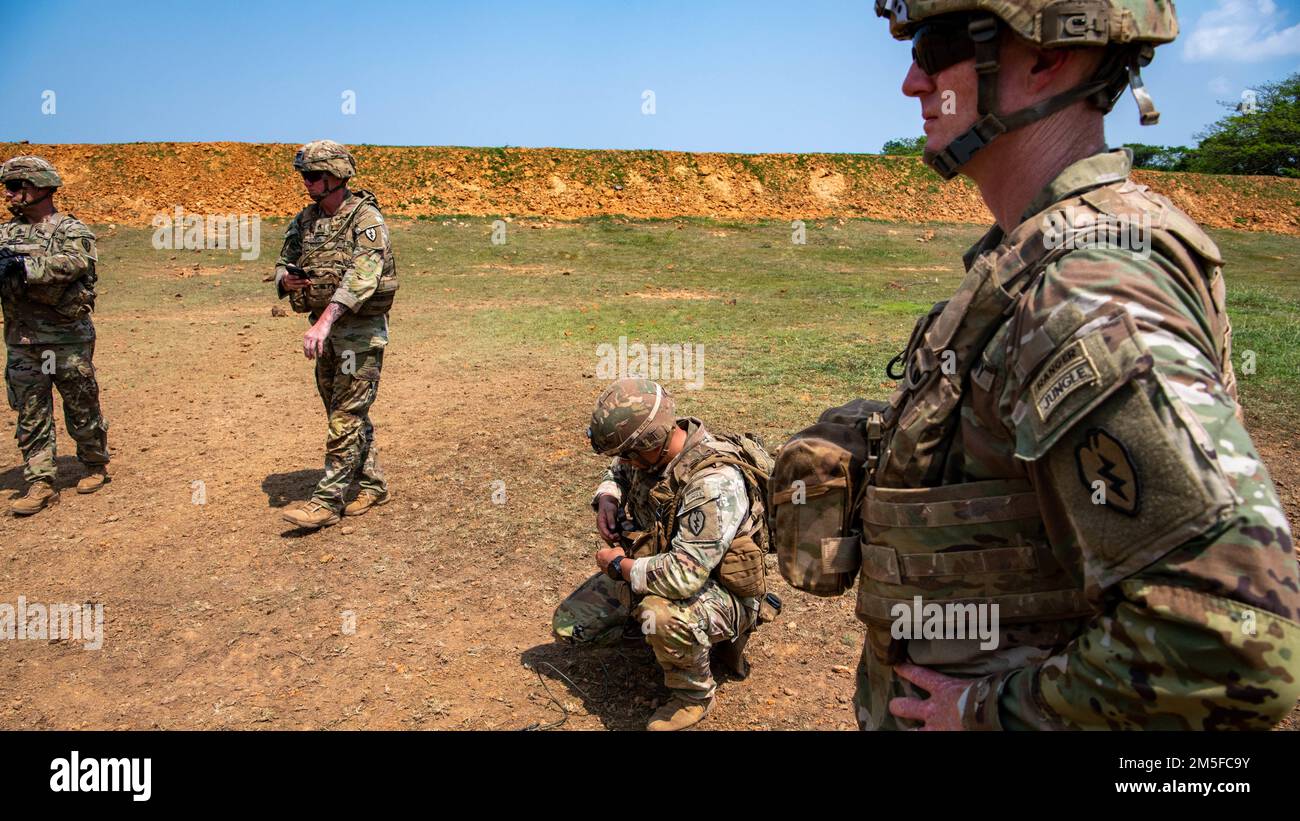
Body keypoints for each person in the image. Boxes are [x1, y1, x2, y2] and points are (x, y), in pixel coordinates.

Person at [829, 0, 1300, 729]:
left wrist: (986, 711)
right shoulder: (1038, 254)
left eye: (937, 47)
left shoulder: (1087, 290)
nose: (912, 82)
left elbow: (1229, 647)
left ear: (1048, 57)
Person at [553, 378, 771, 730]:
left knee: (660, 615)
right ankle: (664, 639)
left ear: (649, 442)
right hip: (658, 567)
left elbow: (683, 577)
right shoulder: (650, 454)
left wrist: (619, 565)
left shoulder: (713, 484)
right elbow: (618, 471)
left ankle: (693, 694)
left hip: (721, 592)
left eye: (628, 453)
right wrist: (607, 498)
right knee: (571, 625)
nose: (625, 460)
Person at [274, 140, 397, 530]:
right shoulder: (306, 220)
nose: (307, 182)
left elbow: (363, 276)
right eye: (304, 176)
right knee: (344, 413)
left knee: (345, 417)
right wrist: (286, 280)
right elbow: (282, 261)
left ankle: (326, 502)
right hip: (325, 334)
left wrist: (325, 321)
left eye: (314, 175)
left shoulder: (366, 219)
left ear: (337, 175)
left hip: (359, 335)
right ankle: (373, 485)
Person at [0, 156, 109, 516]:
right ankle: (41, 482)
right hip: (23, 340)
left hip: (67, 338)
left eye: (14, 187)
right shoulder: (5, 234)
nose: (8, 194)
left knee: (81, 404)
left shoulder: (71, 230)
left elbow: (73, 264)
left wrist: (22, 266)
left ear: (39, 187)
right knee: (31, 411)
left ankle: (94, 462)